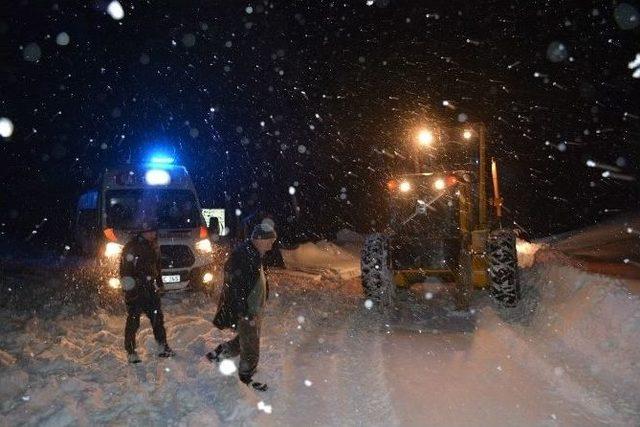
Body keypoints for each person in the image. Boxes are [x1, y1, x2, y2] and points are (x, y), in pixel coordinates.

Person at [207, 223, 276, 391]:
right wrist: (244, 310)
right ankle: (247, 375)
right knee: (251, 343)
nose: (272, 245)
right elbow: (235, 285)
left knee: (246, 336)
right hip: (247, 309)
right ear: (259, 239)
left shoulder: (254, 253)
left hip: (253, 307)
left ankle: (222, 351)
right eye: (270, 241)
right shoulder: (243, 256)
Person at [119, 227, 174, 363]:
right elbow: (125, 271)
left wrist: (160, 283)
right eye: (151, 231)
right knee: (133, 320)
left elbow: (157, 266)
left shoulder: (153, 245)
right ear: (142, 232)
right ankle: (131, 352)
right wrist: (130, 290)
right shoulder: (131, 247)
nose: (154, 234)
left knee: (157, 318)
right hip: (136, 289)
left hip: (150, 289)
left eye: (154, 231)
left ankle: (162, 347)